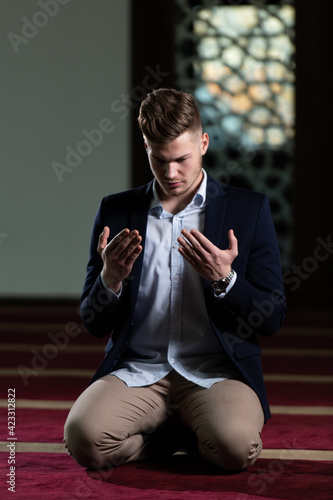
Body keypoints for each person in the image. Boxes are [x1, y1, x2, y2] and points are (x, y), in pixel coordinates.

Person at [64, 88, 286, 472]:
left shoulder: (249, 210)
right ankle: (176, 440)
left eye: (182, 159)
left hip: (217, 373)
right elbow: (93, 321)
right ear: (146, 148)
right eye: (159, 160)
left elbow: (272, 318)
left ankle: (186, 433)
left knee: (236, 448)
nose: (171, 173)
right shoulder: (116, 210)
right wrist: (110, 280)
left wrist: (225, 279)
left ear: (203, 143)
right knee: (84, 441)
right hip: (139, 370)